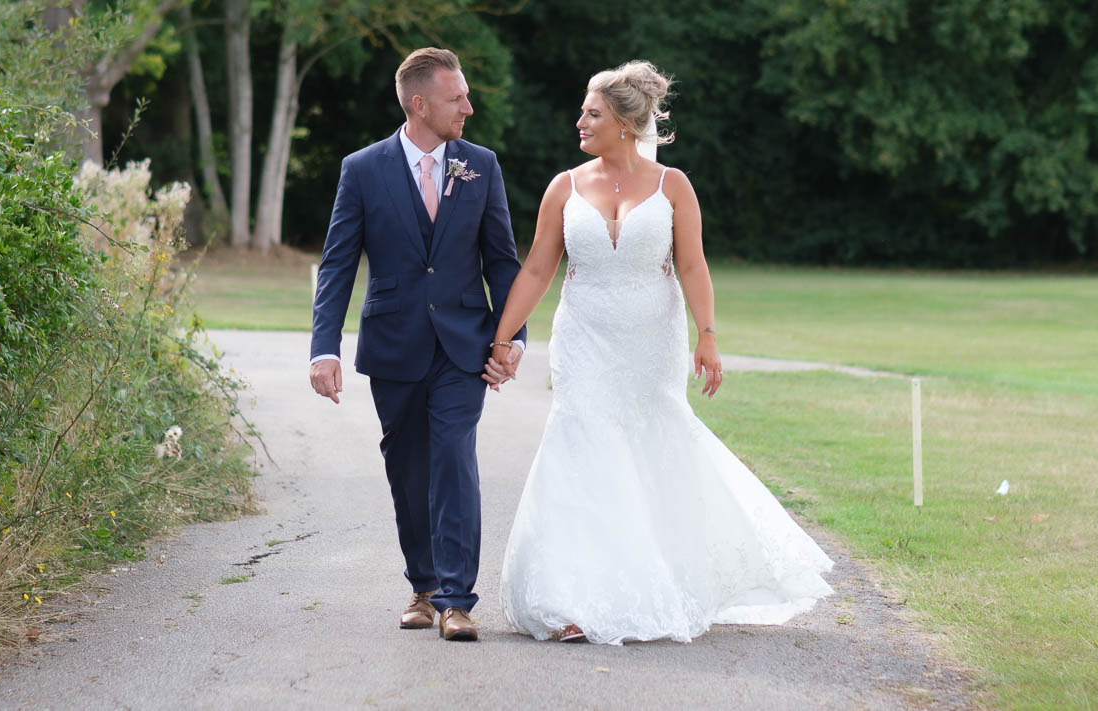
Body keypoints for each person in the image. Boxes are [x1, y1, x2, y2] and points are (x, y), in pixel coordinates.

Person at [488, 61, 834, 645]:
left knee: (649, 445)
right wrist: (504, 337)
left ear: (626, 124)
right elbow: (539, 268)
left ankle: (661, 578)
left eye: (592, 114)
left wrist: (708, 335)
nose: (579, 122)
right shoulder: (563, 187)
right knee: (582, 447)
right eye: (582, 113)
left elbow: (693, 265)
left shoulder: (673, 186)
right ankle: (569, 598)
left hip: (651, 340)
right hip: (584, 339)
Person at [307, 47, 526, 642]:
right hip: (393, 343)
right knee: (407, 466)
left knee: (454, 457)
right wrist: (324, 348)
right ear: (420, 104)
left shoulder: (481, 165)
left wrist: (513, 338)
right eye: (458, 98)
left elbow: (502, 261)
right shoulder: (362, 168)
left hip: (464, 344)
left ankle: (457, 599)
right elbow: (337, 263)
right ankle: (423, 587)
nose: (469, 108)